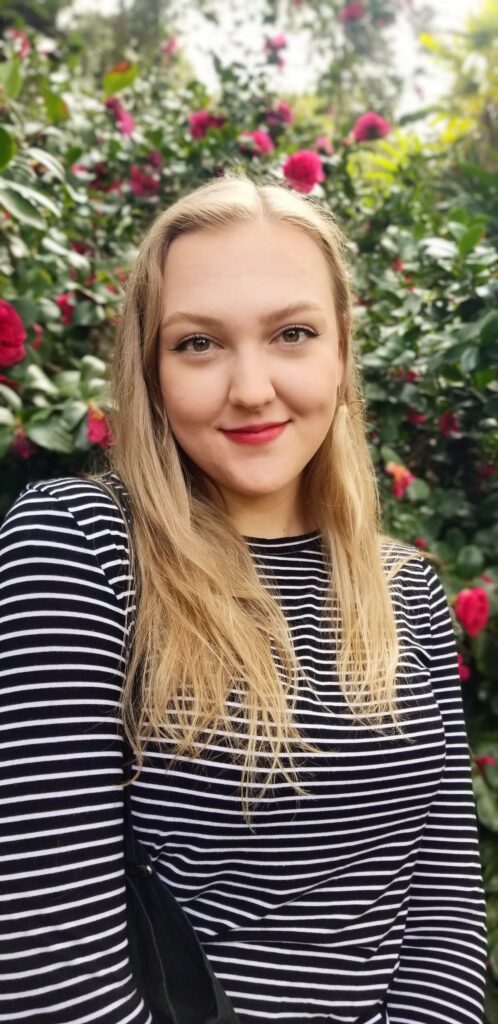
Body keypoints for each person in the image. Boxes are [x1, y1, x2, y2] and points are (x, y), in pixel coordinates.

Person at [0, 172, 487, 1024]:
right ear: (151, 369)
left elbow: (444, 910)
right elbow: (47, 965)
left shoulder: (406, 587)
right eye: (198, 344)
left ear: (342, 350)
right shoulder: (80, 547)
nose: (252, 388)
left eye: (293, 333)